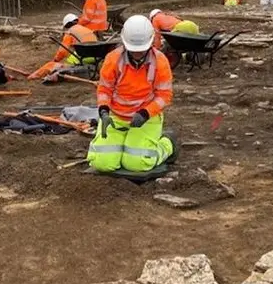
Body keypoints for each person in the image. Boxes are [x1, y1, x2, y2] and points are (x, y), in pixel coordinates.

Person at [88, 15, 177, 173]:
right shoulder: (113, 59)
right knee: (101, 163)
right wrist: (103, 111)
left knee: (138, 163)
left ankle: (168, 144)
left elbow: (165, 95)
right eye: (133, 50)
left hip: (146, 118)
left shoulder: (160, 62)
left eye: (141, 50)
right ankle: (125, 144)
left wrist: (145, 113)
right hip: (116, 117)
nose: (137, 54)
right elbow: (104, 89)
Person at [28, 13, 98, 80]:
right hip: (96, 56)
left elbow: (63, 51)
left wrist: (55, 60)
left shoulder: (70, 32)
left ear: (67, 25)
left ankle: (32, 76)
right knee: (74, 55)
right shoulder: (88, 30)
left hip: (84, 57)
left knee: (55, 65)